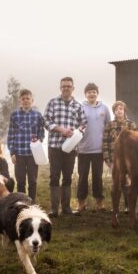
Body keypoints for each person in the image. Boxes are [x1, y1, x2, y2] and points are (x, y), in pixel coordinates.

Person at [43, 77, 87, 217]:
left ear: (73, 88)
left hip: (71, 148)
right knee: (55, 176)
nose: (66, 88)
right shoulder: (53, 103)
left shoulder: (78, 106)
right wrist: (62, 130)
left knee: (67, 177)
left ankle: (66, 208)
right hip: (55, 146)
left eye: (68, 86)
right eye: (63, 86)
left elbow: (84, 123)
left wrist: (76, 132)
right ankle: (54, 209)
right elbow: (46, 121)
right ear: (60, 88)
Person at [76, 83, 111, 212]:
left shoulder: (104, 109)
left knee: (98, 176)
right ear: (85, 94)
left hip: (98, 150)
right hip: (83, 149)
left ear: (97, 93)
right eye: (89, 92)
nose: (92, 94)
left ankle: (99, 202)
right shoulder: (80, 107)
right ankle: (81, 203)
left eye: (94, 92)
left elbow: (108, 127)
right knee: (82, 177)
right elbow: (75, 126)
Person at [7, 89, 45, 203]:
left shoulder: (38, 115)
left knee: (32, 181)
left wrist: (38, 141)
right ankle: (22, 203)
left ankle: (32, 203)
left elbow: (41, 132)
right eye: (23, 99)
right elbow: (11, 134)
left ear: (32, 100)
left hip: (33, 154)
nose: (25, 101)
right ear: (20, 101)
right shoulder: (14, 115)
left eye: (27, 98)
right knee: (21, 181)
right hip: (19, 154)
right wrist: (12, 152)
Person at [103, 101, 137, 213]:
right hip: (114, 159)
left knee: (127, 182)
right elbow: (105, 142)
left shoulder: (131, 125)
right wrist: (107, 159)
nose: (119, 111)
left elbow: (137, 143)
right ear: (114, 112)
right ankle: (115, 207)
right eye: (116, 109)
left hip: (128, 160)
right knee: (116, 182)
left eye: (121, 108)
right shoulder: (110, 125)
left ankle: (128, 206)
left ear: (124, 110)